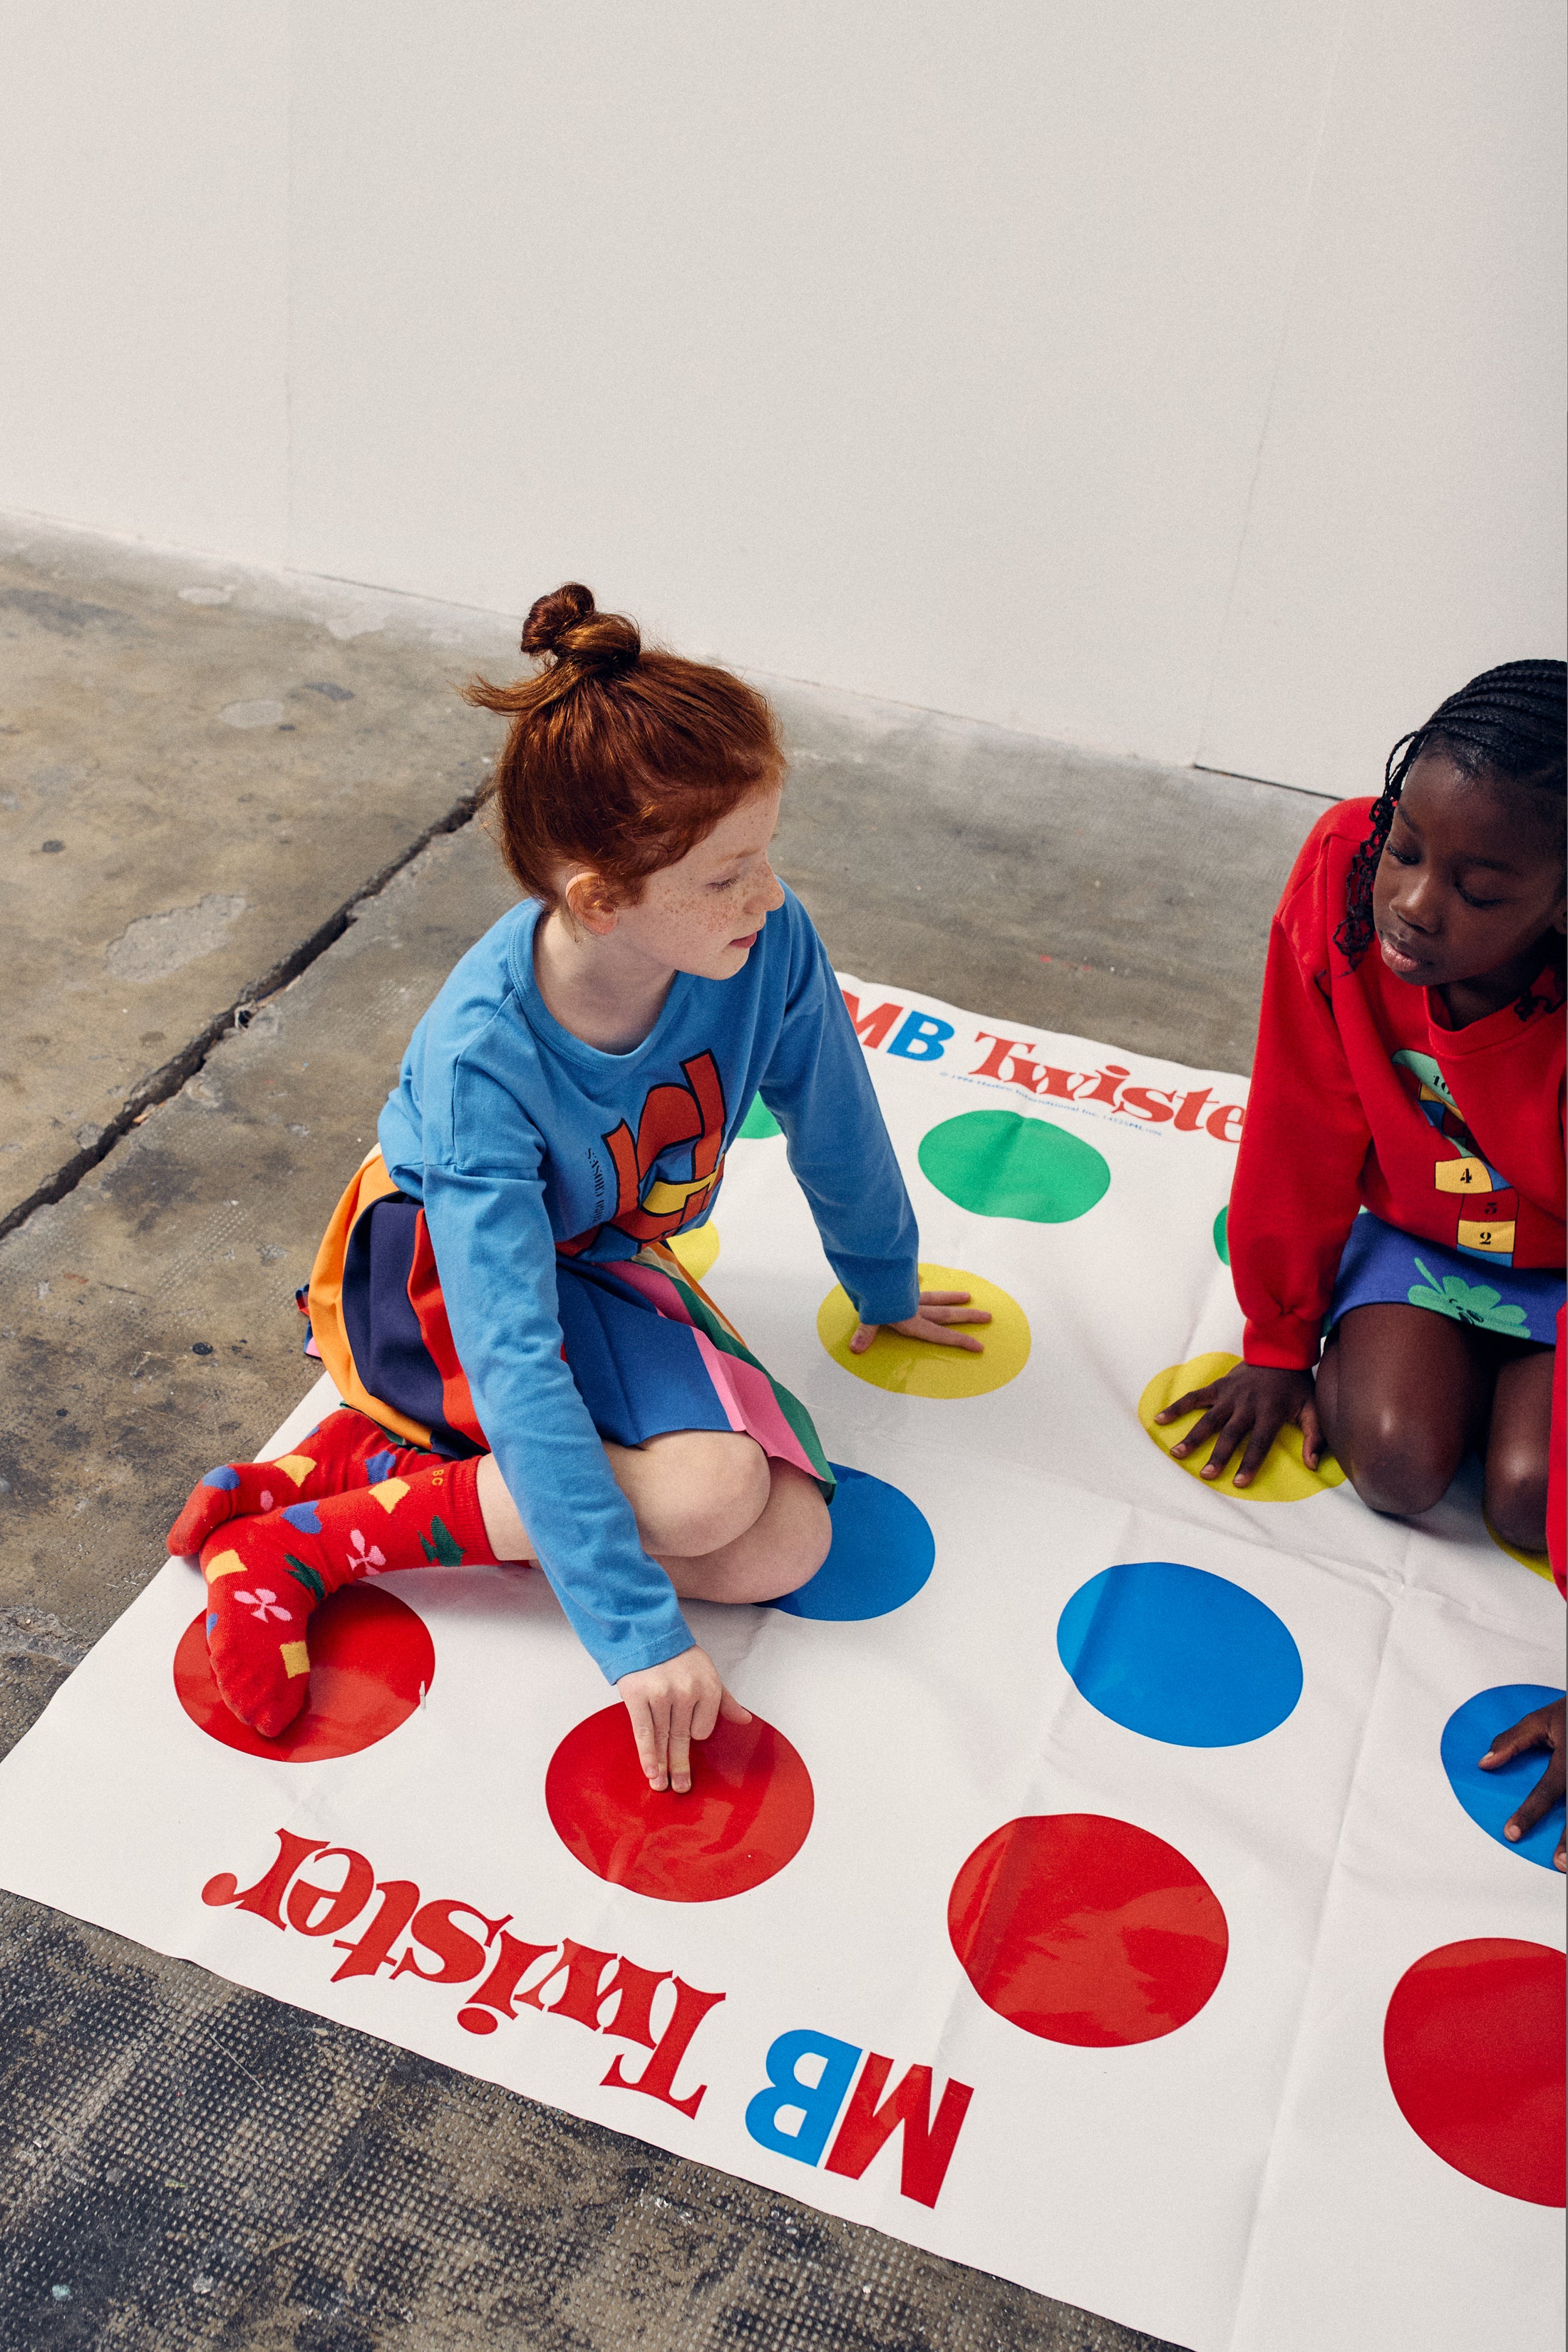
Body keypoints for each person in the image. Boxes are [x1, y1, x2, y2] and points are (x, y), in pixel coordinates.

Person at [172, 584, 988, 1791]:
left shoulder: (766, 941)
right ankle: (302, 1545)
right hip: (435, 1281)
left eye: (767, 860)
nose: (768, 898)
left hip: (601, 1252)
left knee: (784, 1542)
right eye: (727, 875)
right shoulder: (480, 1062)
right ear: (602, 900)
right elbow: (515, 1356)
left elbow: (835, 1110)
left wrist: (882, 1275)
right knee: (710, 1497)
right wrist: (637, 1636)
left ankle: (378, 1470)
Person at [1156, 660, 1565, 1867]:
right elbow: (1299, 1107)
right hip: (1424, 1234)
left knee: (1531, 1498)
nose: (1417, 904)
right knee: (1392, 1462)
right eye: (1407, 846)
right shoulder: (1342, 874)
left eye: (1480, 890)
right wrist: (1281, 1336)